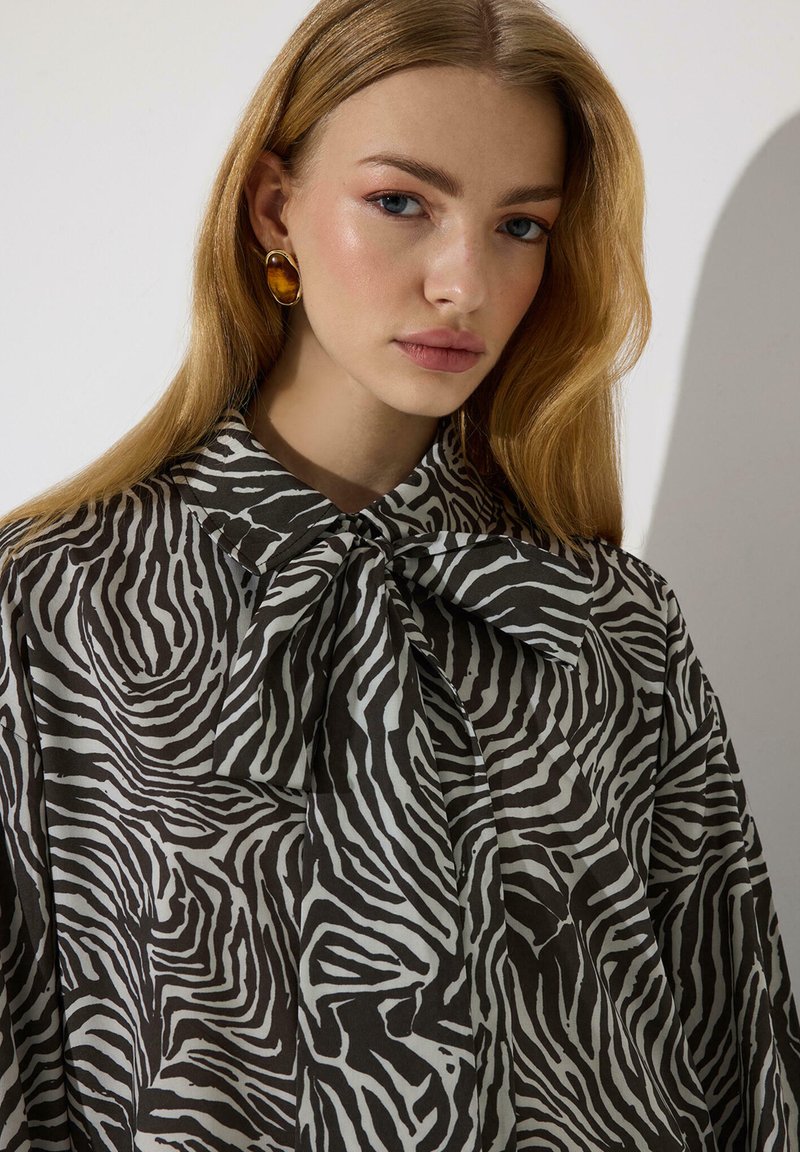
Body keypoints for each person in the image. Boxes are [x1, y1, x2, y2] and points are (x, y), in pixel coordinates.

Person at [1, 0, 798, 1148]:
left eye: (519, 225)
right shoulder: (54, 608)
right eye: (399, 203)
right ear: (273, 207)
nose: (462, 283)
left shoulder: (607, 626)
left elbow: (737, 1053)